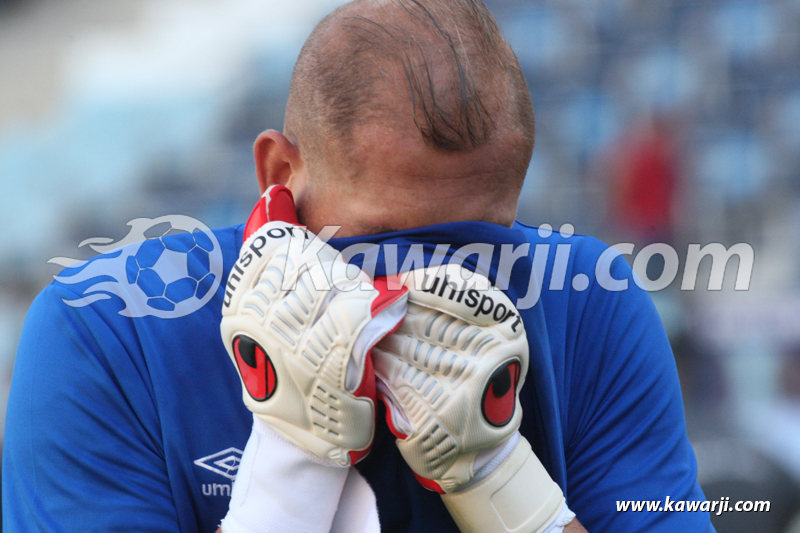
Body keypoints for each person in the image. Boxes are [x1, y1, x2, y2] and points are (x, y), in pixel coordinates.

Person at [3, 0, 715, 532]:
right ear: (280, 171)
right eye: (381, 241)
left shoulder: (588, 303)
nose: (430, 283)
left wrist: (503, 483)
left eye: (474, 246)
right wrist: (290, 464)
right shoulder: (107, 330)